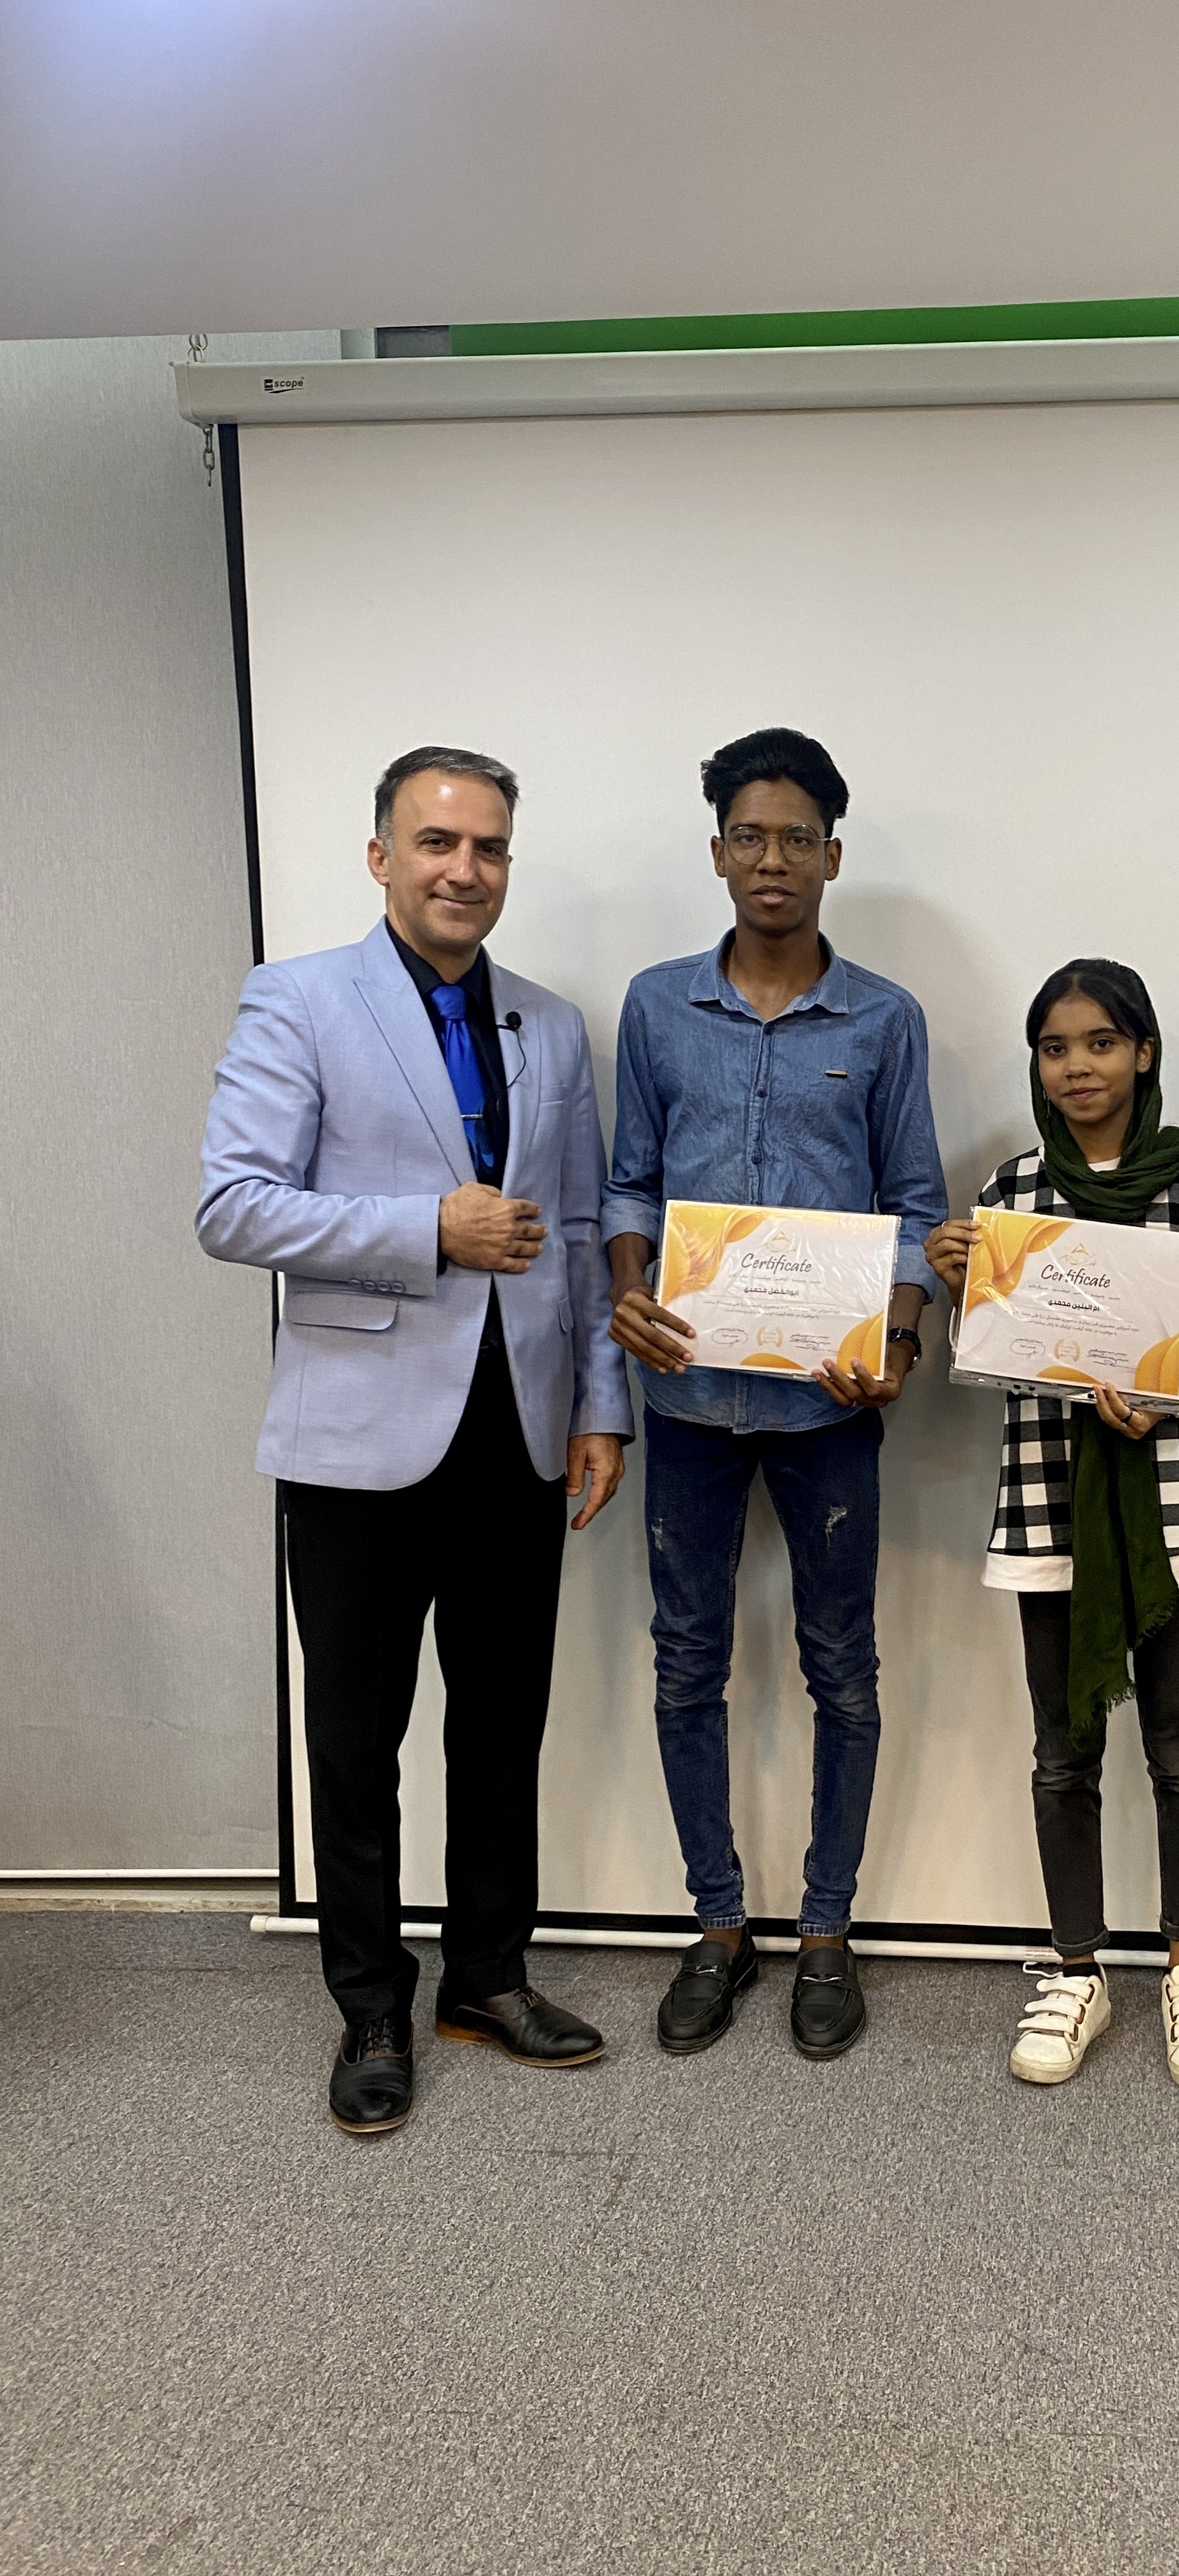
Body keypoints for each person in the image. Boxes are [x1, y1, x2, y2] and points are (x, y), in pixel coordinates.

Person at [197, 746, 633, 2137]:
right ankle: (372, 2005)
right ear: (381, 856)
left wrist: (600, 1404)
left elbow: (578, 1230)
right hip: (356, 1443)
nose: (465, 868)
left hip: (520, 1430)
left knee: (503, 1725)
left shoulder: (551, 1024)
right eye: (438, 841)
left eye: (489, 847)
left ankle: (486, 1978)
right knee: (357, 1738)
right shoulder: (299, 999)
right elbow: (232, 1205)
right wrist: (424, 1230)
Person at [603, 727, 948, 2062]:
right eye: (749, 835)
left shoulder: (884, 1020)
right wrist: (630, 1285)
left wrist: (900, 1346)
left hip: (827, 1408)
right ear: (717, 851)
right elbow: (631, 1184)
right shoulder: (655, 1008)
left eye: (798, 837)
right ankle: (717, 1925)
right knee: (686, 1662)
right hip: (687, 1397)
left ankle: (825, 1932)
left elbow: (913, 1204)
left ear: (832, 857)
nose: (772, 859)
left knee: (841, 1669)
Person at [926, 960, 1179, 2090]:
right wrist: (960, 1286)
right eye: (1054, 1047)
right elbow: (994, 1354)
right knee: (1061, 1747)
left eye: (1099, 1043)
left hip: (1174, 1501)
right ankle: (1076, 1969)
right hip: (1048, 1500)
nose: (1077, 1066)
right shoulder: (1014, 1190)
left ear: (1143, 1052)